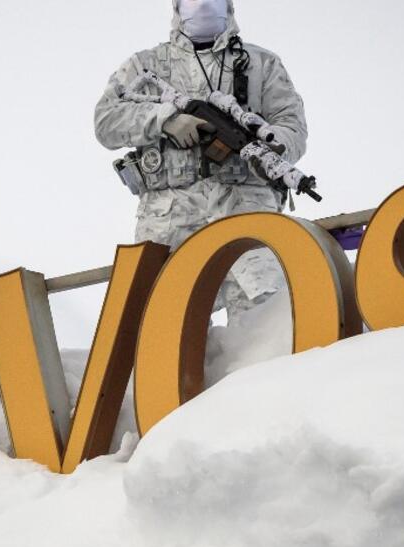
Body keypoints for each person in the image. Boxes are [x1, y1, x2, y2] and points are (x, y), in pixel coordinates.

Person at [95, 0, 309, 316]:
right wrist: (165, 119)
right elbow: (106, 121)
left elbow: (292, 126)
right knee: (164, 324)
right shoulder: (145, 65)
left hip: (246, 207)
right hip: (169, 218)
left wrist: (270, 147)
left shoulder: (261, 64)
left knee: (264, 326)